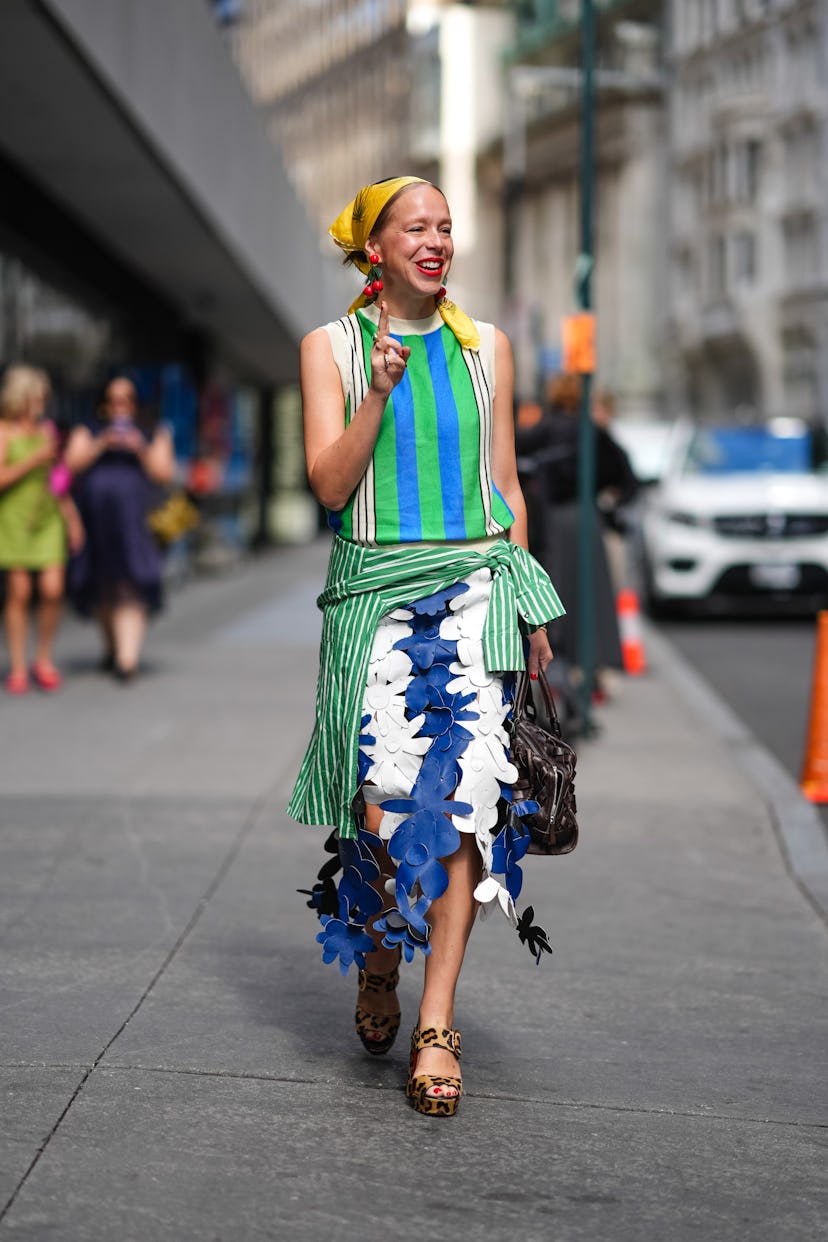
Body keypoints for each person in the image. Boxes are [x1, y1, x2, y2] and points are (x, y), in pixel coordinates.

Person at [288, 176, 564, 1117]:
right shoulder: (330, 349)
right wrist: (378, 395)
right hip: (378, 602)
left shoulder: (489, 348)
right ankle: (375, 961)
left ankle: (436, 1022)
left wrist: (527, 609)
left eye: (446, 227)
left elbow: (507, 485)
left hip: (477, 593)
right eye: (417, 227)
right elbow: (330, 486)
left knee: (467, 811)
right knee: (381, 818)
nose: (437, 240)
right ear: (375, 248)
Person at [516, 373, 638, 687]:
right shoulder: (592, 431)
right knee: (591, 594)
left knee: (556, 589)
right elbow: (626, 475)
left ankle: (557, 663)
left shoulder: (542, 429)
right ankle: (592, 669)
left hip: (550, 519)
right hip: (586, 517)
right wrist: (611, 500)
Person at [64, 375, 175, 680]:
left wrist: (139, 447)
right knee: (103, 586)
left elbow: (164, 473)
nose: (119, 407)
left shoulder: (152, 431)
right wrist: (100, 444)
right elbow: (71, 464)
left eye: (126, 399)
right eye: (113, 400)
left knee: (132, 583)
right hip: (97, 522)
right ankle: (113, 649)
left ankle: (127, 659)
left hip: (137, 524)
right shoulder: (89, 430)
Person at [0, 364, 84, 695]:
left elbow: (58, 481)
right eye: (38, 397)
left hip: (48, 517)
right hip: (13, 517)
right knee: (19, 593)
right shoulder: (4, 432)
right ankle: (19, 664)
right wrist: (34, 460)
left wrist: (72, 518)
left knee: (52, 590)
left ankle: (43, 657)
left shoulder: (46, 431)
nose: (42, 403)